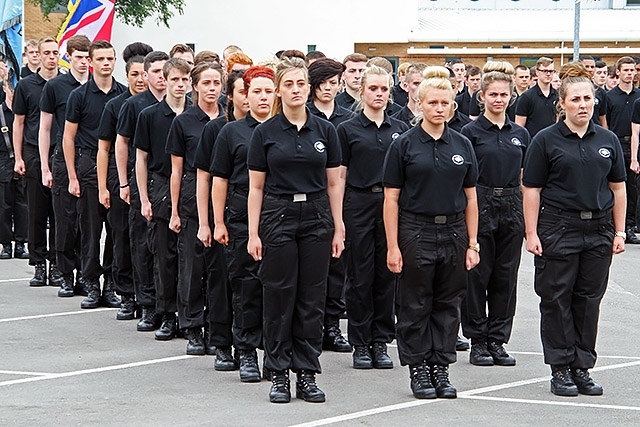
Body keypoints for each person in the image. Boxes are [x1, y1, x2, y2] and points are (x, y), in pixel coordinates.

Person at [522, 62, 626, 397]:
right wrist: (532, 232)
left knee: (588, 300)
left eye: (587, 99)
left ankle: (582, 366)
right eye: (575, 99)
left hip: (598, 229)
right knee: (556, 299)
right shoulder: (546, 140)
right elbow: (531, 189)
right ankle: (560, 368)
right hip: (558, 227)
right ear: (562, 104)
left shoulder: (607, 139)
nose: (582, 104)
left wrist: (620, 232)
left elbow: (618, 188)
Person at [247, 57, 345, 404]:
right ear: (279, 90)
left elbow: (335, 183)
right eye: (288, 84)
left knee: (312, 298)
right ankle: (278, 372)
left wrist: (338, 227)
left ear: (308, 87)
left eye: (300, 84)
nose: (296, 90)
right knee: (279, 294)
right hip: (278, 213)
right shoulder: (265, 132)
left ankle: (306, 372)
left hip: (317, 213)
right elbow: (255, 188)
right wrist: (254, 233)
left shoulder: (326, 130)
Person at [382, 66, 479, 400]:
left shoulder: (463, 144)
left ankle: (441, 365)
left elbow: (470, 197)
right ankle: (419, 367)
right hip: (415, 230)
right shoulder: (404, 145)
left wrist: (472, 243)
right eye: (433, 102)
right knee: (414, 304)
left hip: (453, 231)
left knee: (448, 303)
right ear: (420, 103)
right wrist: (393, 246)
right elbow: (391, 198)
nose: (440, 108)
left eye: (445, 103)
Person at [337, 65, 409, 370]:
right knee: (360, 275)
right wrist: (338, 219)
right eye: (373, 89)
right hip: (358, 201)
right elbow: (339, 176)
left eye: (384, 89)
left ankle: (381, 340)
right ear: (362, 92)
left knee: (386, 275)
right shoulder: (347, 129)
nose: (379, 94)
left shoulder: (400, 129)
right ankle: (360, 342)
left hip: (391, 204)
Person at [460, 61, 530, 367]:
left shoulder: (521, 134)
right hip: (481, 199)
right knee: (477, 275)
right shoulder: (470, 133)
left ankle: (498, 339)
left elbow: (527, 178)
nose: (499, 99)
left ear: (511, 96)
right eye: (493, 94)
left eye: (504, 94)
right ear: (483, 97)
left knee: (506, 276)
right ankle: (477, 339)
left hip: (511, 202)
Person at [210, 66, 275, 381]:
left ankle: (273, 353)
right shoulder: (231, 132)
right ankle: (246, 351)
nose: (263, 97)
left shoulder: (283, 130)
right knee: (245, 286)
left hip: (277, 215)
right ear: (245, 96)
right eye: (256, 91)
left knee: (276, 288)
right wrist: (218, 221)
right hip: (238, 213)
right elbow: (219, 179)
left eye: (268, 91)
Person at [166, 62, 231, 355]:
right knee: (192, 266)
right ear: (195, 86)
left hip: (224, 197)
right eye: (206, 83)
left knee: (219, 268)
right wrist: (176, 210)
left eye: (217, 83)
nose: (212, 89)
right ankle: (192, 325)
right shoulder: (184, 122)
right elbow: (177, 171)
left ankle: (217, 326)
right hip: (194, 196)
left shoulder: (228, 120)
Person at [63, 40, 126, 309]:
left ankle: (111, 284)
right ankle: (91, 283)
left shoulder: (123, 95)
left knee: (116, 229)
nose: (106, 63)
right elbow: (68, 136)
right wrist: (72, 176)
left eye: (110, 59)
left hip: (116, 165)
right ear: (91, 62)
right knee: (89, 229)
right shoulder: (79, 96)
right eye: (100, 59)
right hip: (88, 163)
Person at [134, 57, 189, 342]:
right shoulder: (150, 115)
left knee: (189, 257)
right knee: (164, 256)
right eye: (175, 79)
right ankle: (166, 314)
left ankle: (189, 315)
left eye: (184, 79)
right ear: (164, 81)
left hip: (191, 188)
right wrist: (144, 198)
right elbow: (141, 159)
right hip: (161, 186)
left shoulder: (195, 114)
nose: (180, 85)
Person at [194, 69, 247, 358]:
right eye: (243, 91)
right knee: (221, 282)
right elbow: (205, 178)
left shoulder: (264, 128)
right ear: (232, 96)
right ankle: (222, 343)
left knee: (247, 285)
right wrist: (207, 222)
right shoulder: (216, 130)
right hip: (222, 216)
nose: (250, 97)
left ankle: (246, 343)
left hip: (256, 219)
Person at [115, 51, 169, 331]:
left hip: (175, 185)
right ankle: (146, 304)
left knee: (167, 250)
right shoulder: (135, 106)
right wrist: (124, 183)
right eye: (156, 71)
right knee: (142, 245)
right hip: (144, 183)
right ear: (146, 75)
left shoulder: (182, 105)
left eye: (165, 71)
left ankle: (167, 306)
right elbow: (122, 144)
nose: (161, 76)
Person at [39, 35, 90, 298]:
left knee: (87, 222)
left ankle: (85, 273)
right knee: (65, 220)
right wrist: (46, 167)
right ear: (68, 57)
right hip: (62, 157)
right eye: (78, 56)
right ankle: (65, 275)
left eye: (86, 57)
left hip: (91, 159)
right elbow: (45, 128)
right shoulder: (55, 86)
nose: (83, 62)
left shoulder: (96, 87)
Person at [306, 58, 352, 353]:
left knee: (337, 267)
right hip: (309, 200)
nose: (329, 89)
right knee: (311, 270)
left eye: (334, 83)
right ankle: (311, 326)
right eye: (323, 83)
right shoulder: (304, 116)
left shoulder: (346, 119)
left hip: (340, 200)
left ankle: (332, 326)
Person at [97, 53, 147, 317]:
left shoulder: (157, 105)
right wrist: (106, 186)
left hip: (150, 181)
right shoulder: (116, 106)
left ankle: (147, 296)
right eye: (134, 75)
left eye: (143, 74)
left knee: (145, 242)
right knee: (122, 238)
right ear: (126, 76)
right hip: (122, 178)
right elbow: (104, 148)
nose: (140, 79)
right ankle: (126, 294)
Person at [13, 36, 60, 287]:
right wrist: (18, 157)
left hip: (60, 153)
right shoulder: (26, 86)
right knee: (37, 213)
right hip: (32, 151)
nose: (52, 57)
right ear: (38, 56)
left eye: (55, 52)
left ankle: (57, 265)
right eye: (47, 53)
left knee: (60, 213)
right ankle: (39, 264)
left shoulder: (67, 84)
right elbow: (18, 122)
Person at [606, 57, 640, 244]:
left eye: (632, 70)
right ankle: (612, 225)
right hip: (615, 144)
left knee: (633, 189)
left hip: (634, 145)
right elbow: (606, 124)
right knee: (614, 186)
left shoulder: (639, 96)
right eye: (626, 70)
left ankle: (629, 227)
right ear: (618, 72)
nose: (630, 73)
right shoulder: (609, 97)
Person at [0, 72, 28, 260]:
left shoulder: (25, 113)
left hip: (23, 160)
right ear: (5, 90)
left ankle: (21, 243)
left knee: (23, 205)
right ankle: (6, 244)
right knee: (3, 206)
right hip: (2, 160)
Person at [515, 57, 558, 138]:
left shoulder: (558, 96)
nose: (548, 74)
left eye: (551, 71)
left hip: (553, 143)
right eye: (545, 71)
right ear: (537, 72)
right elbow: (519, 127)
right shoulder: (526, 97)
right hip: (533, 143)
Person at [392, 63, 426, 127]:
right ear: (406, 86)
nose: (421, 88)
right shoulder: (394, 123)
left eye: (424, 84)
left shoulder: (439, 121)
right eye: (416, 84)